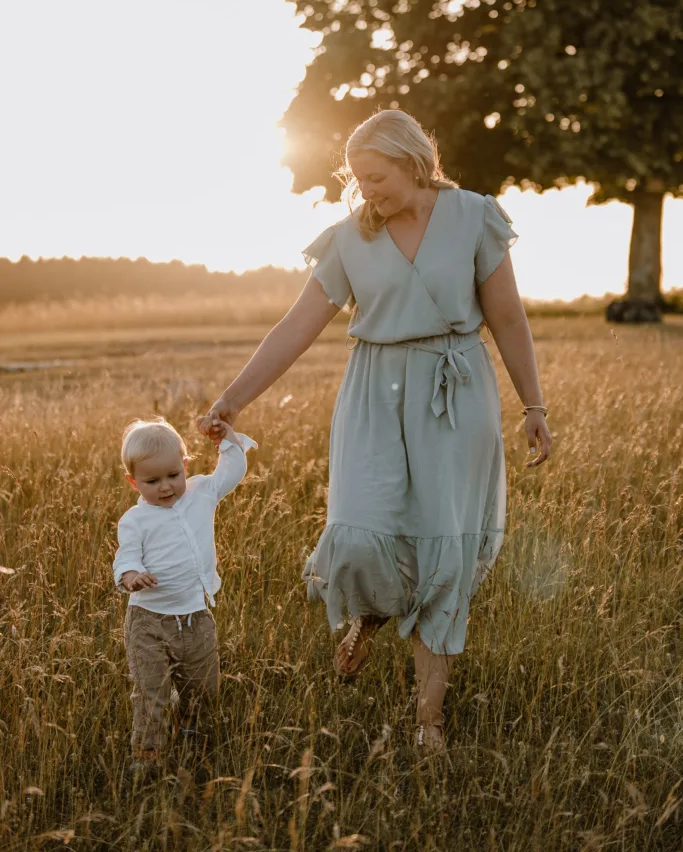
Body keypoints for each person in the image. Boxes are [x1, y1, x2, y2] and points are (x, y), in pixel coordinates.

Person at [198, 108, 552, 754]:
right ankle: (369, 611)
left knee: (442, 552)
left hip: (455, 390)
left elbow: (506, 316)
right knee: (359, 535)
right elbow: (295, 328)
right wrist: (231, 400)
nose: (368, 192)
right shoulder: (346, 239)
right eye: (357, 180)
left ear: (413, 162)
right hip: (373, 394)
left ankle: (427, 721)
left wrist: (534, 407)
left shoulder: (474, 216)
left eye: (377, 177)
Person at [113, 416, 257, 770]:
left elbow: (232, 471)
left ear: (185, 466)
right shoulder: (135, 520)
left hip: (196, 617)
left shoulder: (200, 493)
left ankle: (193, 737)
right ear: (134, 482)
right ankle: (148, 758)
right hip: (148, 622)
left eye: (173, 475)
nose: (165, 487)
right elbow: (126, 556)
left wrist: (227, 440)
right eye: (152, 480)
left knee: (203, 689)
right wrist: (131, 575)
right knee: (151, 693)